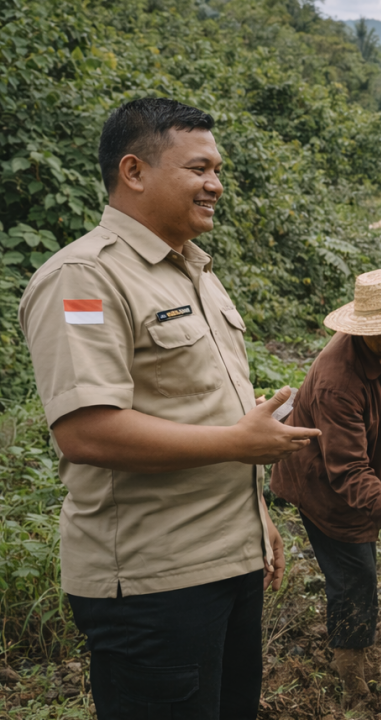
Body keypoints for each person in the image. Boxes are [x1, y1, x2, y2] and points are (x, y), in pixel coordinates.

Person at [17, 97, 320, 719]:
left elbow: (205, 408)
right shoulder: (84, 279)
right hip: (155, 582)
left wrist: (254, 508)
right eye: (199, 169)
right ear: (134, 172)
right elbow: (87, 432)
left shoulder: (194, 272)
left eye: (218, 170)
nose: (215, 185)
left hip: (226, 559)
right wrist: (241, 446)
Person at [270, 267, 381, 711]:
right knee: (355, 580)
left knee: (361, 572)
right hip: (324, 484)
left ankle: (355, 655)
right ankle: (353, 682)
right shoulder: (337, 382)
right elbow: (347, 471)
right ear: (365, 328)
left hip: (362, 463)